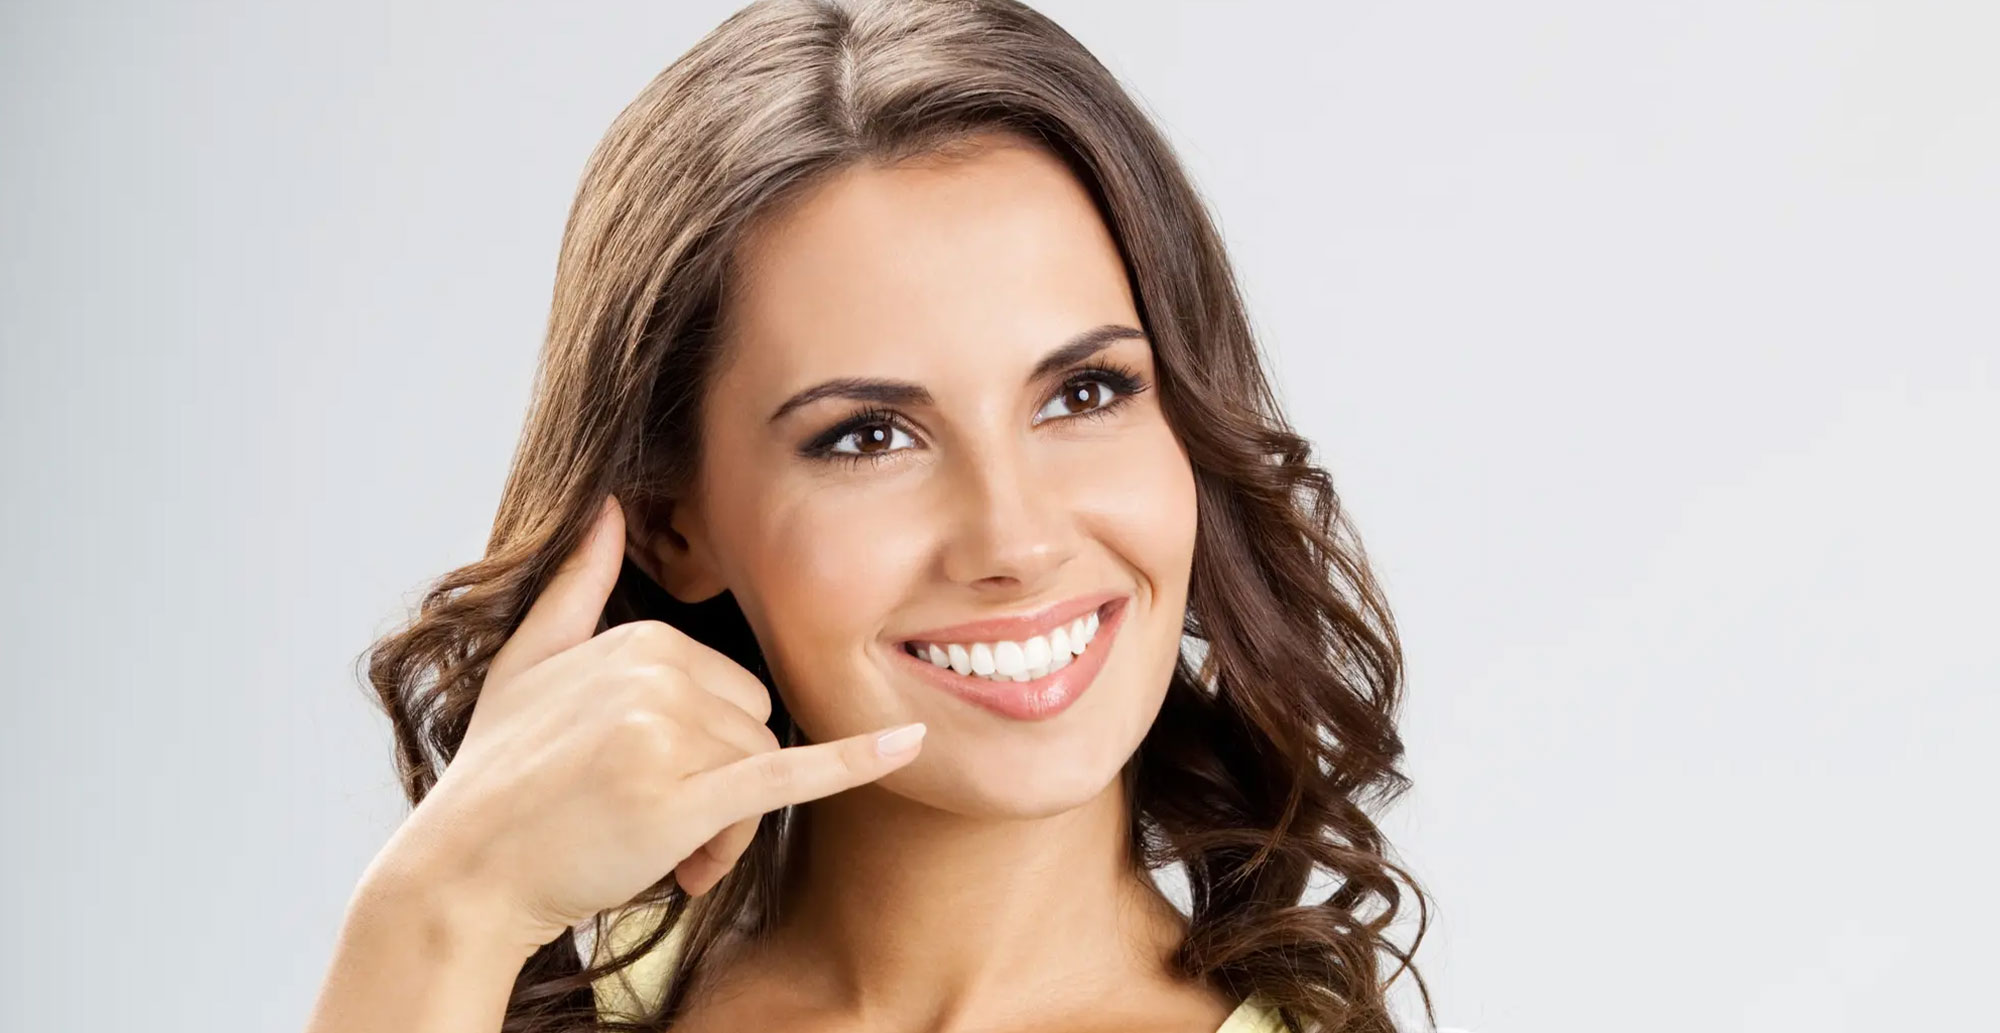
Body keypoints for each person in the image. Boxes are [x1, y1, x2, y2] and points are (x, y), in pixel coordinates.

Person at [305, 1, 1431, 1031]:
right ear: (666, 524)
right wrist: (438, 904)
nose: (1015, 540)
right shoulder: (515, 981)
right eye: (867, 436)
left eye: (1083, 393)